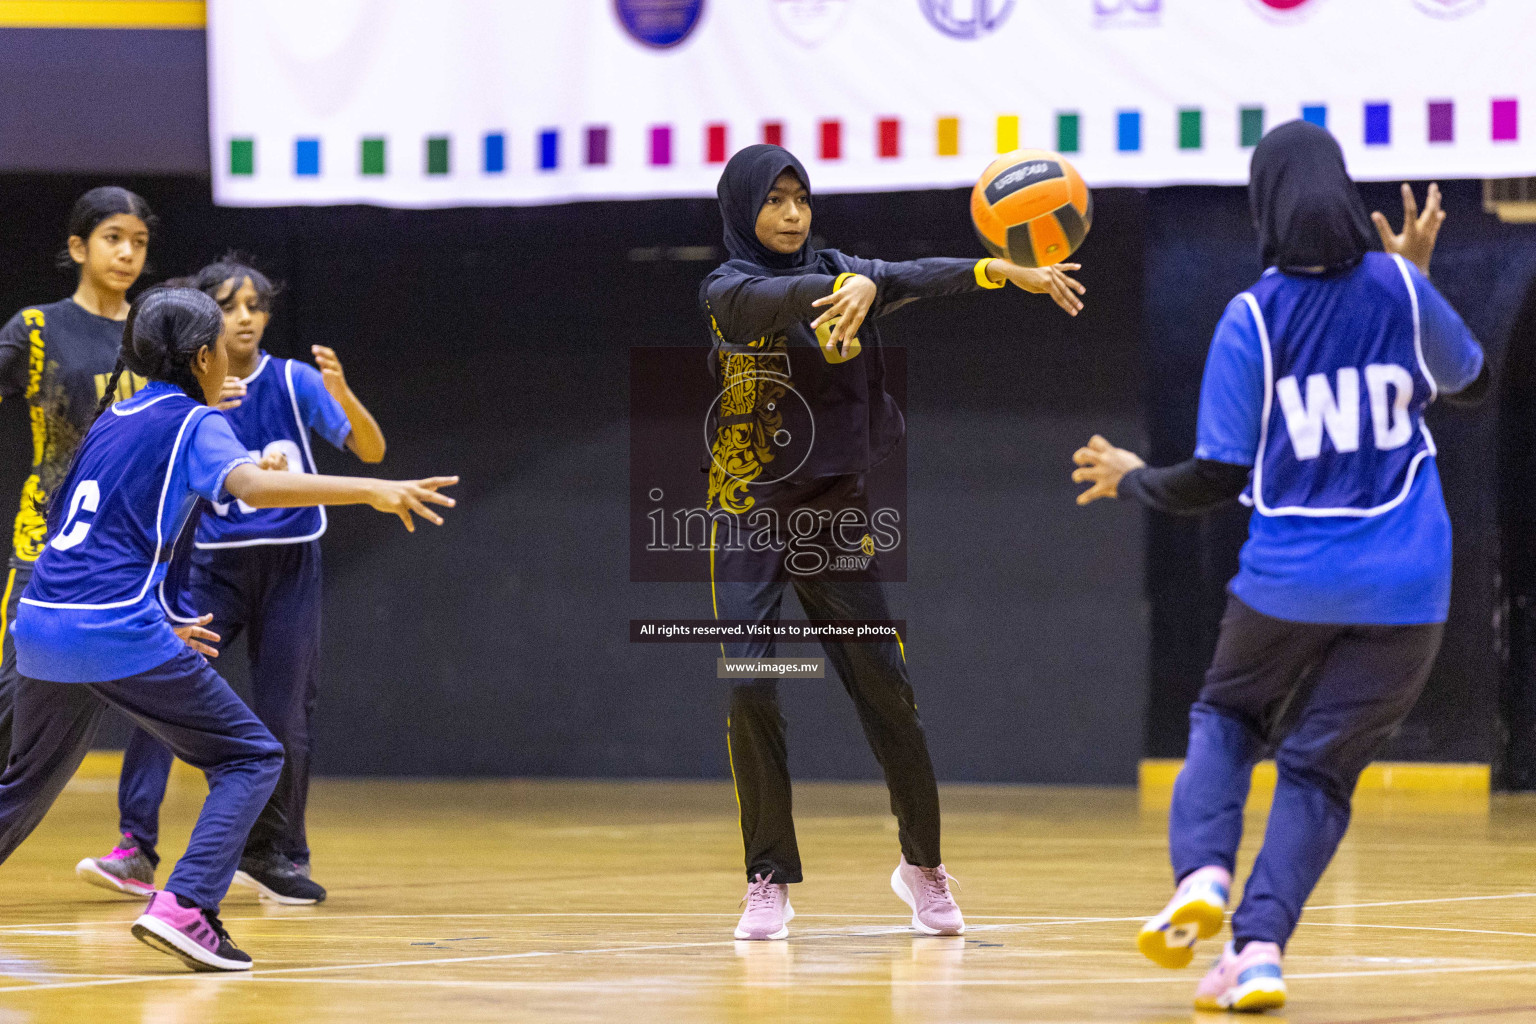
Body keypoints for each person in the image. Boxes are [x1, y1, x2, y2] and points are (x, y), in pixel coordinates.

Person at [1070, 121, 1485, 1012]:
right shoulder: (1400, 291)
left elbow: (1215, 478)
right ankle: (1257, 953)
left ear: (1264, 203)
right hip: (1411, 589)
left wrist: (1136, 477)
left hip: (1289, 579)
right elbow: (1477, 381)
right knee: (1319, 775)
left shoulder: (1251, 317)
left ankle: (1203, 879)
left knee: (1226, 714)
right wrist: (1414, 278)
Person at [0, 286, 455, 971]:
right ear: (207, 356)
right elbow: (256, 489)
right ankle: (187, 907)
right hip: (109, 626)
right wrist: (372, 489)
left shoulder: (115, 416)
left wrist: (157, 615)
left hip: (41, 621)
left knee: (24, 782)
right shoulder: (195, 422)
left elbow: (85, 530)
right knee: (250, 755)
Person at [701, 144, 1085, 941]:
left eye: (802, 198)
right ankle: (767, 877)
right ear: (744, 210)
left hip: (834, 515)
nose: (792, 213)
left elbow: (918, 274)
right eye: (774, 201)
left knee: (889, 695)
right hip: (749, 512)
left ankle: (922, 868)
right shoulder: (727, 288)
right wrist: (849, 285)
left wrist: (1000, 270)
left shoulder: (846, 264)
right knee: (750, 688)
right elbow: (786, 298)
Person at [76, 256, 386, 905]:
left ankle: (275, 852)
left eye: (256, 305)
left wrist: (345, 394)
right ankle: (135, 845)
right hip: (211, 563)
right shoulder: (192, 394)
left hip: (288, 562)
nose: (245, 317)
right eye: (230, 305)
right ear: (204, 321)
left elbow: (371, 452)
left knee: (284, 715)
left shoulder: (294, 381)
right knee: (160, 693)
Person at [0, 187, 157, 763]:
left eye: (139, 242)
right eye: (113, 238)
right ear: (78, 246)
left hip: (128, 551)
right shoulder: (37, 328)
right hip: (44, 545)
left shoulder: (155, 336)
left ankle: (139, 839)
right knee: (13, 697)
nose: (127, 254)